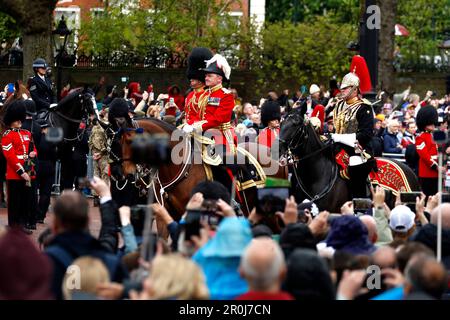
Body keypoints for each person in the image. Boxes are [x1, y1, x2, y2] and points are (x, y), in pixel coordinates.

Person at [45, 189, 127, 300]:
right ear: (88, 221)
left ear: (55, 223)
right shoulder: (109, 261)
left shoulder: (44, 264)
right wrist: (106, 196)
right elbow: (109, 238)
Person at [182, 53, 237, 157]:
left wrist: (196, 127)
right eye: (206, 75)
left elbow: (218, 119)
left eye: (210, 76)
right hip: (203, 132)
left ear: (219, 79)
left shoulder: (226, 95)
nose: (206, 78)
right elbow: (198, 115)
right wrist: (188, 124)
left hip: (220, 135)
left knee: (223, 164)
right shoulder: (205, 94)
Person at [331, 71, 375, 198]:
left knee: (356, 164)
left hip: (358, 150)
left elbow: (366, 135)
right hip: (338, 147)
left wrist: (338, 137)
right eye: (342, 88)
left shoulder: (364, 107)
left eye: (345, 88)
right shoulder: (339, 105)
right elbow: (336, 128)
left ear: (354, 89)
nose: (342, 90)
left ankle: (359, 202)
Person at [1, 100, 37, 234]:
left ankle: (22, 225)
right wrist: (21, 171)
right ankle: (14, 226)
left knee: (25, 200)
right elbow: (10, 157)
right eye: (16, 120)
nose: (19, 122)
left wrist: (33, 154)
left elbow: (33, 148)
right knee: (14, 202)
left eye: (19, 120)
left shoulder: (26, 133)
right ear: (11, 121)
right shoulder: (7, 136)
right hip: (14, 173)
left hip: (28, 170)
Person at [184, 47, 213, 126]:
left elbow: (211, 117)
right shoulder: (190, 95)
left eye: (193, 79)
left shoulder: (210, 96)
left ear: (200, 80)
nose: (191, 80)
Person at [35, 119, 57, 223]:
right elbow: (55, 155)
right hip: (49, 166)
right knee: (46, 193)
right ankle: (41, 215)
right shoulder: (51, 140)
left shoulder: (35, 139)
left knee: (34, 191)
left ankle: (33, 213)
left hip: (37, 166)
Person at [415, 106, 440, 197]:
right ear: (425, 124)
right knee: (428, 197)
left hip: (438, 172)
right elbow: (424, 155)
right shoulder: (420, 137)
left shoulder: (434, 135)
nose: (433, 125)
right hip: (427, 172)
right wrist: (436, 166)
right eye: (430, 123)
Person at [89, 119, 110, 206]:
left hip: (95, 154)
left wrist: (94, 153)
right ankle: (103, 197)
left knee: (96, 175)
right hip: (103, 155)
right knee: (105, 175)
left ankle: (95, 197)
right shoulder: (105, 128)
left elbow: (90, 141)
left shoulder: (94, 128)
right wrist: (102, 152)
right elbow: (108, 142)